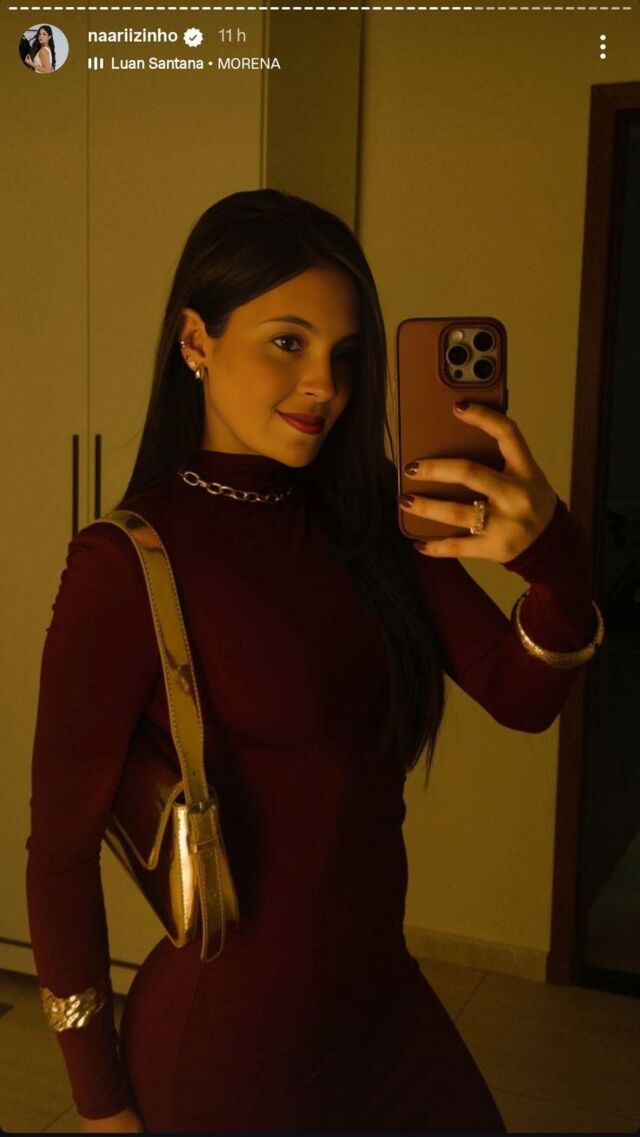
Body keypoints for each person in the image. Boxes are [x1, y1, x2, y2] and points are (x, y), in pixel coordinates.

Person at [26, 188, 602, 1133]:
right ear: (197, 340)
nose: (323, 385)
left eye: (344, 354)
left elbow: (521, 695)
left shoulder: (370, 518)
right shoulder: (125, 562)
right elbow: (58, 854)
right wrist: (100, 1105)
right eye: (287, 342)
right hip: (229, 1055)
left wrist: (553, 556)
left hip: (387, 1016)